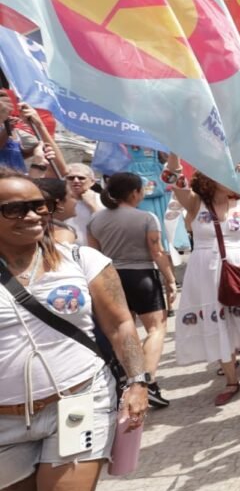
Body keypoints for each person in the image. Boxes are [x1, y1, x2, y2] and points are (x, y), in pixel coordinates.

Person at [0, 168, 149, 491]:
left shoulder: (82, 260)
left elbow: (121, 325)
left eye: (38, 206)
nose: (31, 215)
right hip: (3, 424)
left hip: (78, 402)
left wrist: (137, 381)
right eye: (14, 209)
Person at [164, 155, 240, 405]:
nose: (233, 180)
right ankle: (231, 379)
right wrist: (175, 150)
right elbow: (174, 179)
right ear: (211, 179)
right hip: (205, 270)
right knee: (216, 321)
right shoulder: (195, 204)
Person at [87, 172, 176, 409]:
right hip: (142, 277)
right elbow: (157, 253)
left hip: (110, 278)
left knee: (124, 330)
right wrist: (170, 280)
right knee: (156, 328)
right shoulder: (146, 218)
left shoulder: (95, 221)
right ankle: (148, 381)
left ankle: (131, 379)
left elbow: (93, 255)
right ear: (136, 192)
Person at [63, 164, 103, 245]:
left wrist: (93, 205)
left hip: (94, 252)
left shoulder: (103, 200)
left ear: (92, 182)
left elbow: (107, 225)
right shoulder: (59, 201)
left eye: (81, 178)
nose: (76, 181)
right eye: (71, 178)